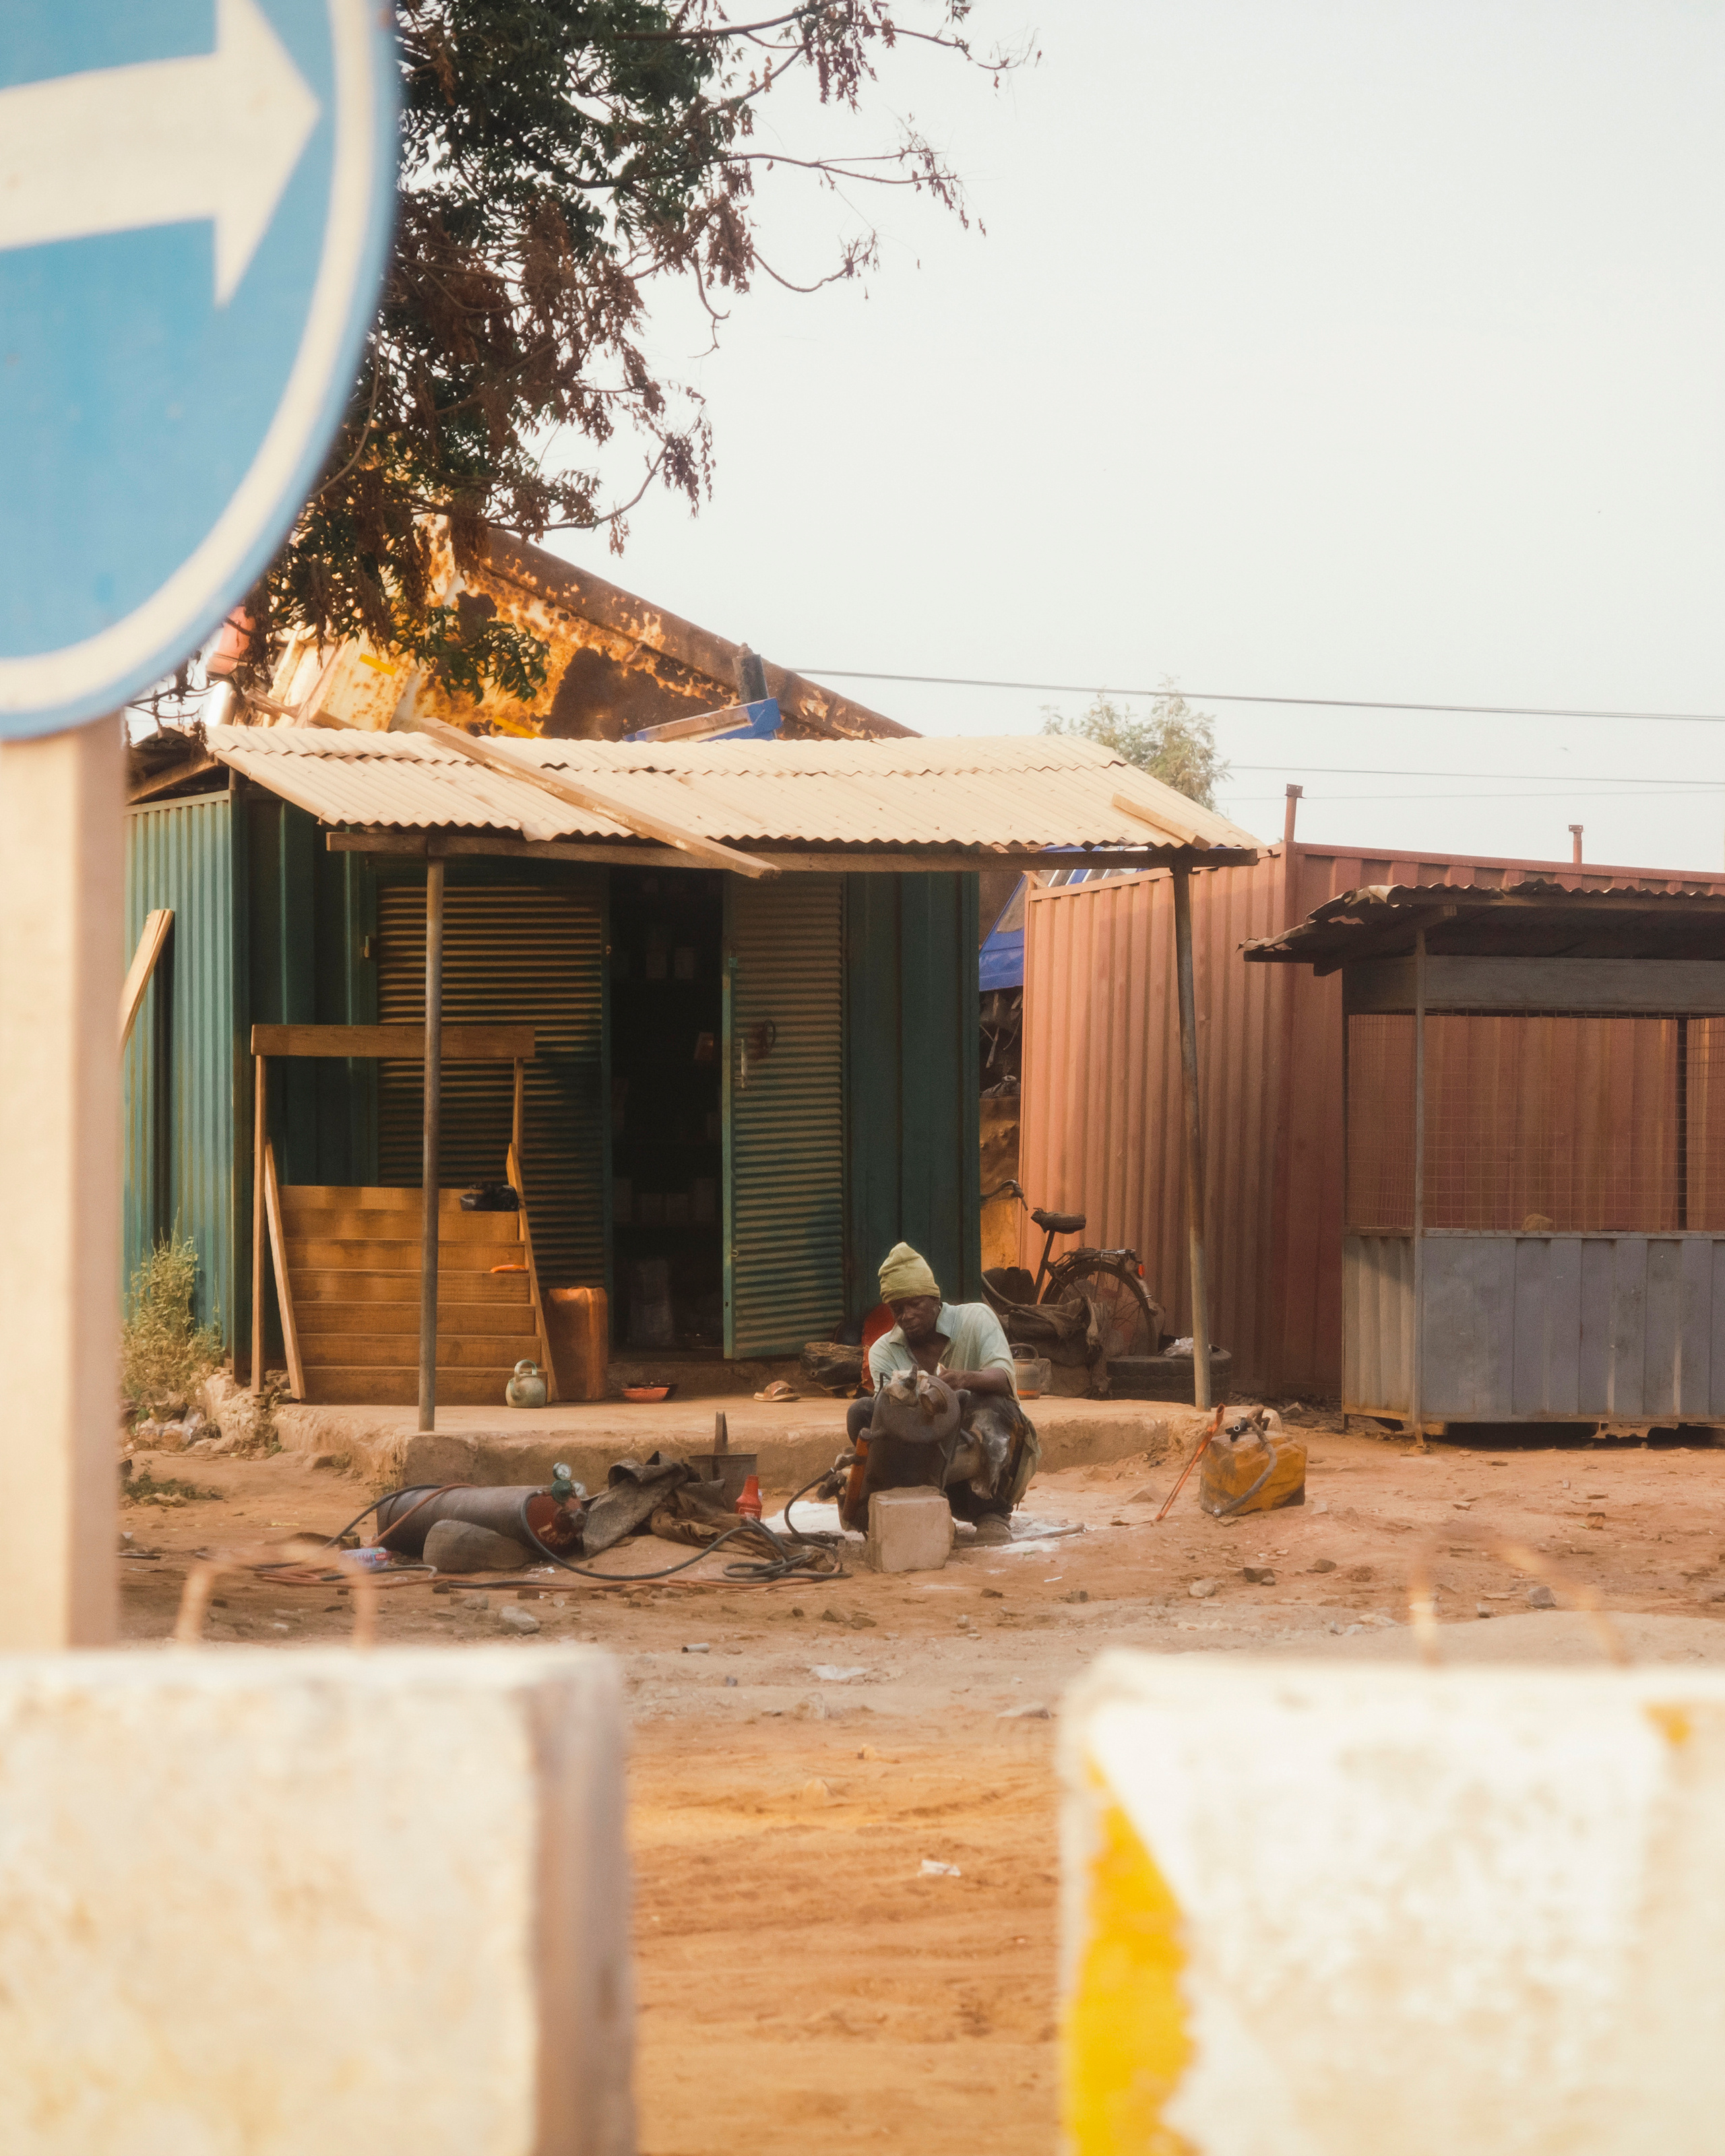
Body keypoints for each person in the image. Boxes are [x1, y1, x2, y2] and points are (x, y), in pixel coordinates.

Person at [839, 1243, 1038, 1527]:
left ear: (935, 1298)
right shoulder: (883, 1350)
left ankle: (991, 1516)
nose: (906, 1315)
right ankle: (906, 1508)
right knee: (862, 1412)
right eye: (897, 1309)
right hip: (919, 1466)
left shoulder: (976, 1318)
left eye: (915, 1304)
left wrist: (964, 1380)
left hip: (984, 1475)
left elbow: (1004, 1379)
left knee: (992, 1403)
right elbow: (888, 1419)